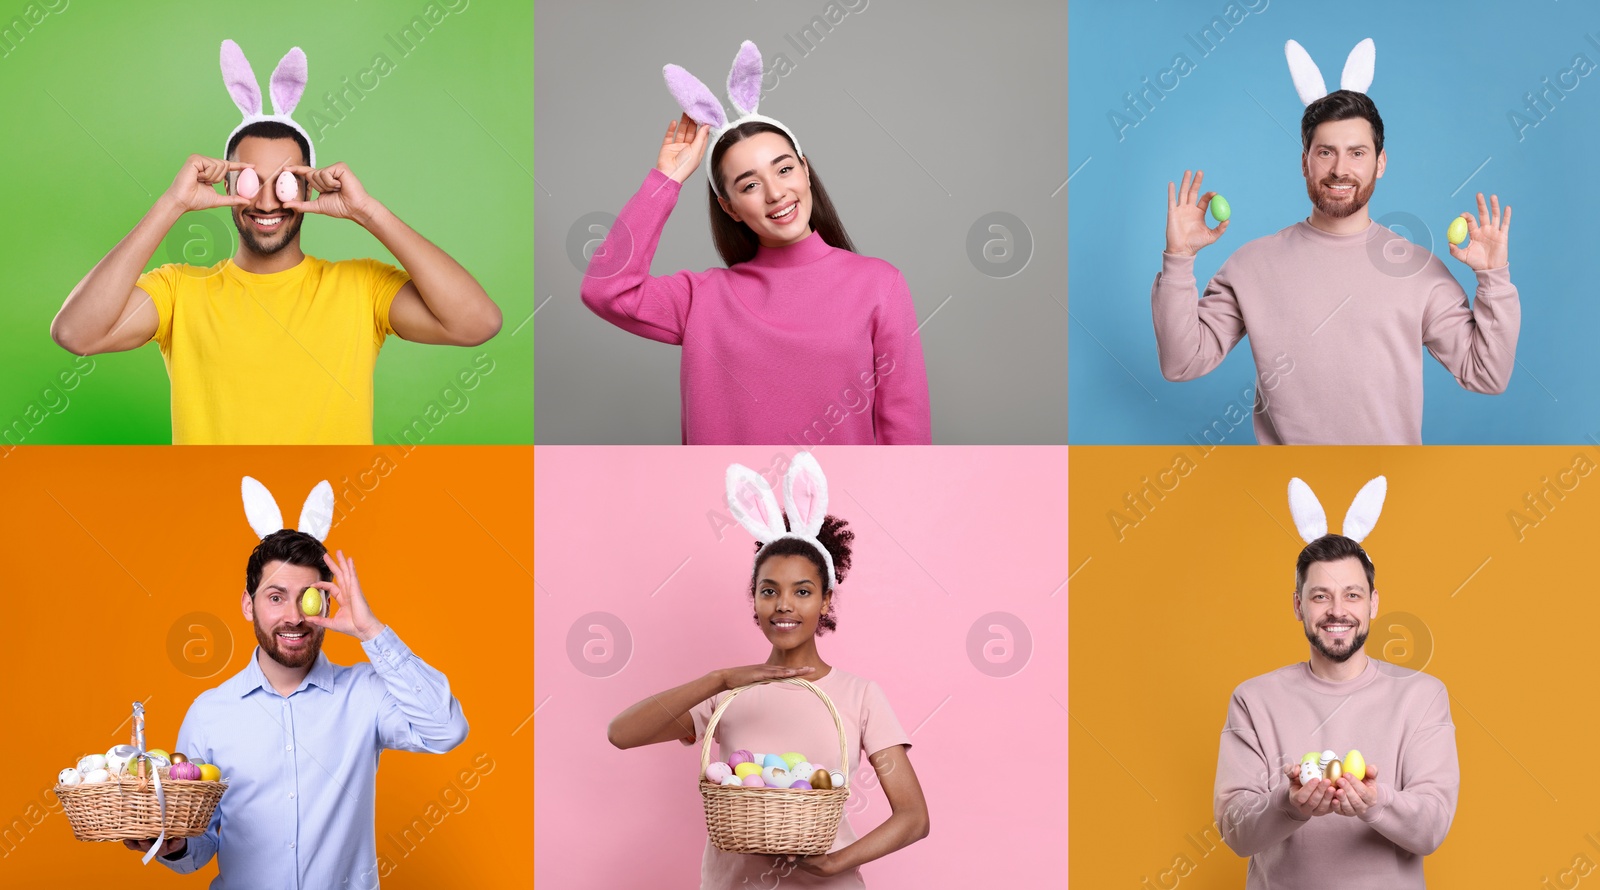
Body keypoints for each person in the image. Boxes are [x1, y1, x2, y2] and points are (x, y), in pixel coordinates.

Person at [51, 40, 501, 444]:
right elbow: (76, 333)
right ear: (228, 186)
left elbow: (477, 323)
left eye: (284, 181)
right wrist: (171, 204)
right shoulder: (178, 292)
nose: (267, 201)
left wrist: (369, 212)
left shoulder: (360, 287)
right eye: (250, 180)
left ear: (308, 189)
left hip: (322, 522)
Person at [1152, 39, 1518, 445]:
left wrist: (1493, 279)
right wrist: (1179, 260)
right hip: (1289, 491)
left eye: (1357, 153)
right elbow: (1181, 364)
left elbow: (1487, 375)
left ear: (1380, 163)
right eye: (1325, 152)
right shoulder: (1251, 264)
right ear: (1304, 161)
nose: (1340, 169)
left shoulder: (1417, 269)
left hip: (1385, 489)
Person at [580, 41, 931, 445]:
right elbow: (604, 289)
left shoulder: (878, 285)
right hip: (724, 507)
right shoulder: (703, 298)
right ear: (729, 208)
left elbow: (905, 427)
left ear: (805, 170)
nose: (775, 192)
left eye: (784, 169)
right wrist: (667, 181)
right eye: (749, 184)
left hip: (838, 507)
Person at [124, 480, 468, 887]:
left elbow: (446, 729)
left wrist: (371, 630)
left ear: (325, 603)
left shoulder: (365, 694)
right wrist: (172, 843)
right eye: (275, 597)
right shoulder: (210, 714)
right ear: (247, 605)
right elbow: (198, 849)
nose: (294, 616)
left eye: (308, 597)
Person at [607, 454, 930, 887]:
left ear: (826, 601)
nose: (783, 605)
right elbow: (621, 734)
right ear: (754, 599)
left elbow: (913, 816)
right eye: (769, 591)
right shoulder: (729, 693)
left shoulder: (860, 695)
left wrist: (836, 863)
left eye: (802, 591)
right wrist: (718, 680)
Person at [1213, 478, 1459, 888]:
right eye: (1321, 596)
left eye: (1352, 595)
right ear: (1298, 605)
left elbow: (1431, 828)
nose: (1337, 611)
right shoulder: (1253, 699)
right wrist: (1288, 805)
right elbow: (1235, 832)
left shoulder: (1422, 696)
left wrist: (1376, 803)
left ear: (1373, 603)